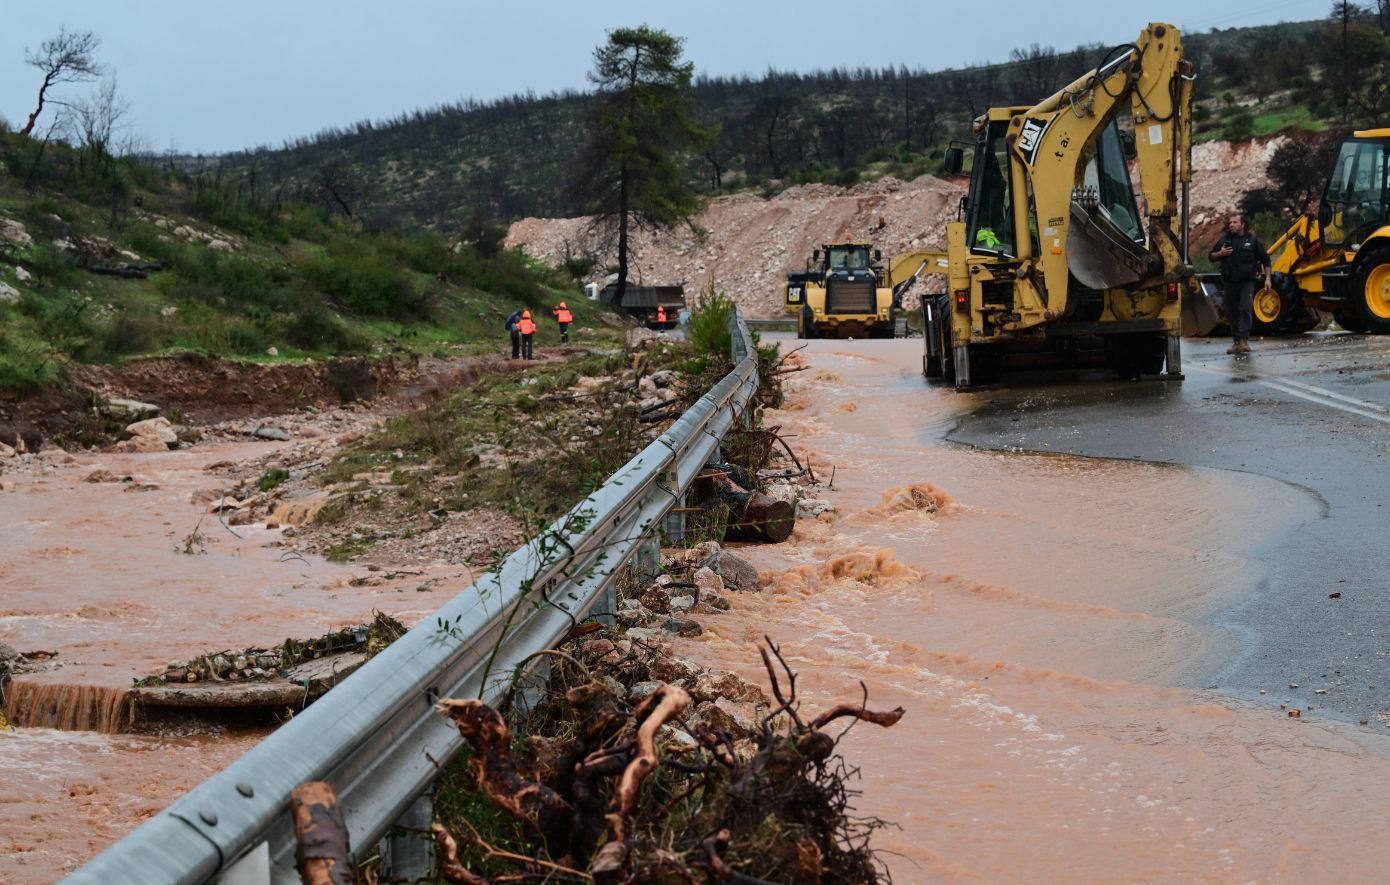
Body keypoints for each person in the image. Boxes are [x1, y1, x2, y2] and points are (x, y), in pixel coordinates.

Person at [1209, 213, 1272, 354]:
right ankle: (1236, 342)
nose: (1231, 224)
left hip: (1246, 282)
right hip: (1229, 282)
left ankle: (1244, 340)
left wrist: (1268, 279)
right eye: (1230, 222)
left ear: (1242, 225)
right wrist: (1220, 254)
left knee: (1245, 309)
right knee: (1232, 312)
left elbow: (1266, 260)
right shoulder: (1224, 239)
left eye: (1235, 222)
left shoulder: (1253, 240)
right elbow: (1211, 256)